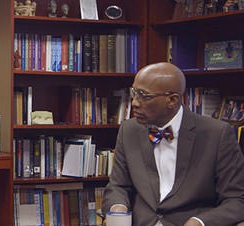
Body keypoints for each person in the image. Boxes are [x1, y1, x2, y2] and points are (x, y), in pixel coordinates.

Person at [101, 62, 244, 226]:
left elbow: (237, 199)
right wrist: (118, 209)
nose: (135, 103)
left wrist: (200, 222)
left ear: (172, 100)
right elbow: (118, 185)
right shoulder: (129, 130)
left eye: (144, 96)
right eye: (134, 93)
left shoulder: (217, 134)